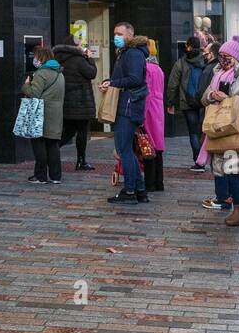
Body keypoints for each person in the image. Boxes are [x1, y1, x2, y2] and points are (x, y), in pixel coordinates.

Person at [199, 36, 239, 227]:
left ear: (235, 57)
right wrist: (211, 95)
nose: (223, 60)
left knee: (233, 170)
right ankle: (227, 201)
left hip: (237, 129)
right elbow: (204, 98)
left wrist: (228, 100)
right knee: (221, 169)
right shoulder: (217, 74)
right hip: (219, 128)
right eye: (221, 56)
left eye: (227, 56)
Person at [102, 23, 149, 204]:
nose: (116, 37)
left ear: (130, 35)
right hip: (127, 106)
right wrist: (110, 81)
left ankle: (130, 191)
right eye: (115, 33)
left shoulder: (133, 54)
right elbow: (125, 77)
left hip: (128, 107)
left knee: (124, 150)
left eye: (120, 34)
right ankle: (139, 190)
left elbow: (135, 79)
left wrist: (114, 84)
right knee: (126, 149)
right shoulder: (127, 53)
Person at [22, 44, 65, 184]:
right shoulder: (59, 72)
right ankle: (55, 176)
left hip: (41, 113)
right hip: (56, 113)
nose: (34, 59)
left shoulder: (41, 73)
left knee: (39, 143)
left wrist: (26, 84)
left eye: (35, 56)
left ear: (41, 57)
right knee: (53, 145)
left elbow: (34, 93)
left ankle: (40, 176)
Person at [166, 36, 210, 174]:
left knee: (193, 133)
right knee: (203, 131)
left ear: (189, 46)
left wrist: (171, 102)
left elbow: (173, 84)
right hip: (204, 102)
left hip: (188, 102)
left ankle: (198, 161)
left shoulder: (181, 63)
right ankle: (208, 158)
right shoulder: (205, 60)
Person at [55, 43, 98, 171]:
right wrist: (90, 58)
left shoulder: (59, 58)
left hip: (66, 102)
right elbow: (92, 73)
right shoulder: (79, 60)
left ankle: (50, 151)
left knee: (68, 131)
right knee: (82, 132)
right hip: (81, 103)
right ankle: (81, 161)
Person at [141, 38, 166, 193]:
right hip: (158, 109)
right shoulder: (158, 68)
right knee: (158, 147)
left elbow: (146, 92)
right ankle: (159, 182)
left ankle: (149, 183)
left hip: (149, 109)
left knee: (148, 147)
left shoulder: (146, 68)